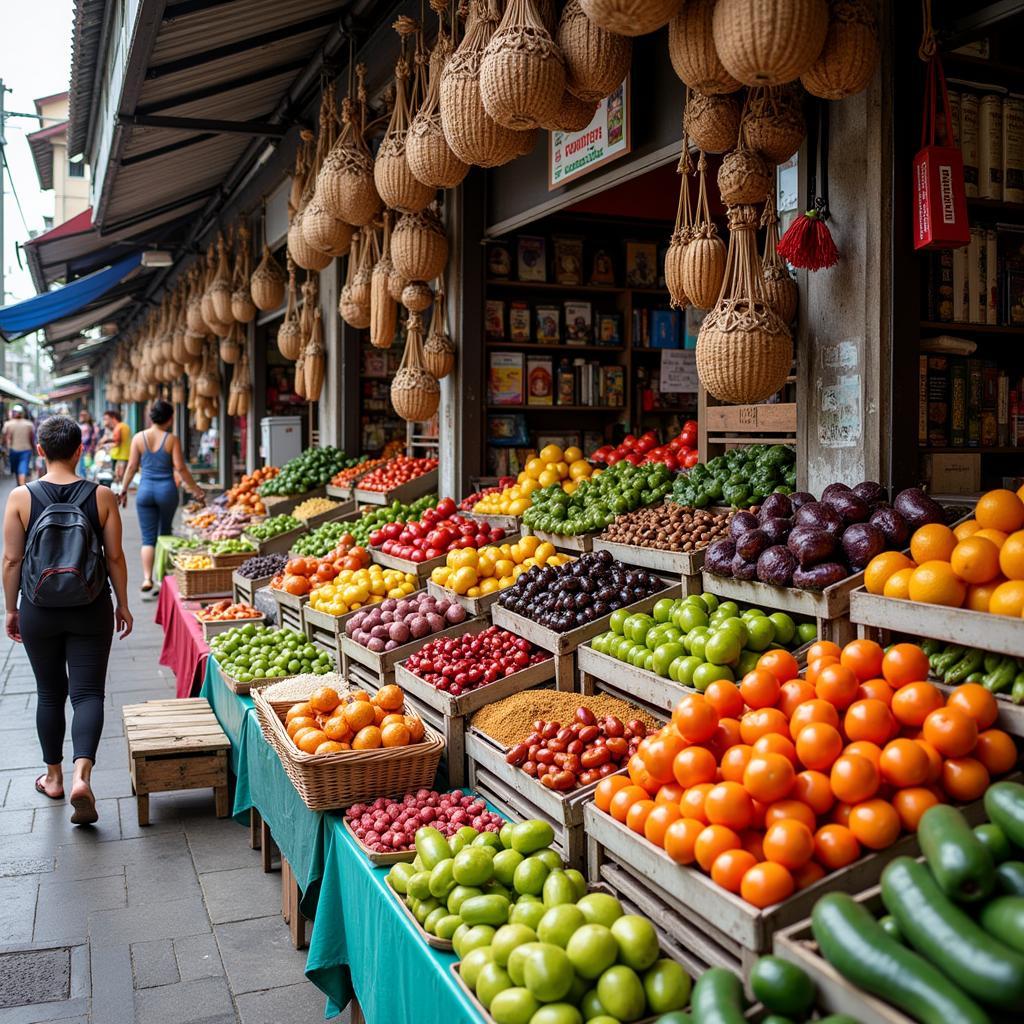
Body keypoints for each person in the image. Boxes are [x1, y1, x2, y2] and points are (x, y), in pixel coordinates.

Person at [2, 414, 132, 825]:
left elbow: (11, 559)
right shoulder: (103, 496)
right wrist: (123, 604)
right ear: (81, 450)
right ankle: (82, 776)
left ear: (40, 451)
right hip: (91, 606)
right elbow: (114, 557)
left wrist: (11, 608)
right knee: (89, 693)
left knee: (48, 693)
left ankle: (54, 778)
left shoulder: (21, 497)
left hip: (39, 608)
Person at [119, 399, 204, 593]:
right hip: (167, 491)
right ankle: (161, 579)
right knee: (164, 533)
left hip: (145, 491)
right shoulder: (171, 439)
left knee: (148, 538)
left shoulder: (139, 438)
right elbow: (180, 468)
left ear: (151, 417)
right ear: (171, 418)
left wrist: (123, 489)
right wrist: (195, 490)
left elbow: (131, 467)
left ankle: (147, 578)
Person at [3, 406, 35, 486]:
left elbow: (5, 438)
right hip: (26, 450)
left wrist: (5, 447)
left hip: (14, 450)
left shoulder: (8, 424)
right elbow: (32, 438)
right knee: (21, 469)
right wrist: (34, 448)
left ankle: (21, 485)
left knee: (19, 469)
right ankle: (21, 485)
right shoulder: (29, 424)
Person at [102, 409, 131, 485]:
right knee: (120, 480)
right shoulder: (123, 426)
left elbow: (116, 442)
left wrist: (106, 446)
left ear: (113, 418)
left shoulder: (119, 427)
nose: (105, 421)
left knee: (118, 480)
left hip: (120, 457)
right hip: (122, 456)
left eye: (106, 419)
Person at [77, 410, 96, 479]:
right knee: (86, 465)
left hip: (84, 448)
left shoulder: (84, 427)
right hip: (88, 448)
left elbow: (85, 439)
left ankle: (84, 479)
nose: (80, 416)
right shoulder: (90, 426)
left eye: (82, 415)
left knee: (83, 466)